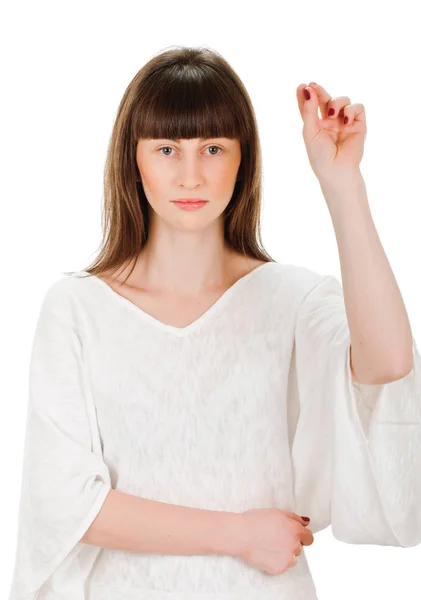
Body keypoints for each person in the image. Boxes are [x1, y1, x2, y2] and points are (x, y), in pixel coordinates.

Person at [7, 46, 421, 600]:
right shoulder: (78, 309)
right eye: (167, 148)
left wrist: (342, 184)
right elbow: (64, 503)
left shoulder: (291, 299)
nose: (191, 173)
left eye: (212, 147)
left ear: (242, 158)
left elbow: (389, 365)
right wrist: (238, 534)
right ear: (134, 159)